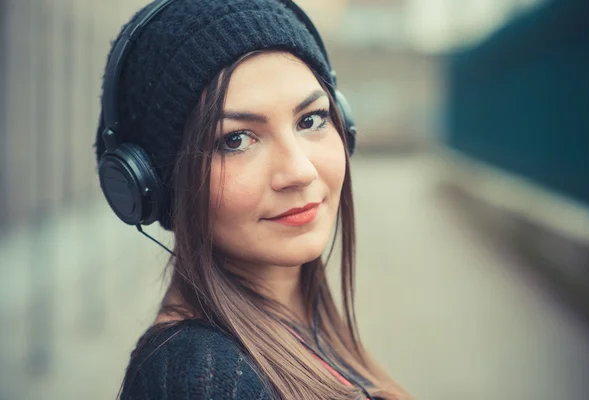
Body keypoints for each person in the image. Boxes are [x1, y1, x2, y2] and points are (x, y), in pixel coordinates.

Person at [94, 0, 411, 399]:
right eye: (236, 140)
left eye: (310, 119)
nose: (300, 171)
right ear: (157, 183)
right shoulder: (199, 379)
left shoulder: (304, 325)